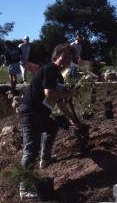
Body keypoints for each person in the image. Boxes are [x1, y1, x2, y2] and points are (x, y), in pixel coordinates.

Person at [17, 43, 79, 200]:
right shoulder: (50, 69)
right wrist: (66, 93)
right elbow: (50, 94)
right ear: (57, 56)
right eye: (64, 56)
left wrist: (71, 118)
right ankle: (24, 189)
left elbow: (59, 101)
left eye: (70, 57)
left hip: (40, 113)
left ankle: (45, 159)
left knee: (51, 127)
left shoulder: (57, 75)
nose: (67, 59)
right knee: (31, 149)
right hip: (31, 111)